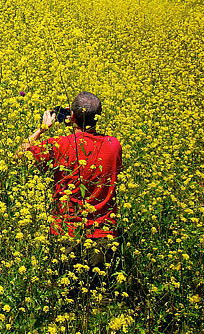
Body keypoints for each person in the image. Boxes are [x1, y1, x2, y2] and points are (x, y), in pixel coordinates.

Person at [15, 91, 123, 302]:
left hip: (67, 233)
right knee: (100, 302)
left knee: (65, 300)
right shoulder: (114, 145)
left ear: (72, 117)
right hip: (104, 235)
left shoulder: (60, 144)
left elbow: (19, 154)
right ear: (99, 117)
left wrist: (42, 129)